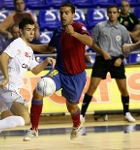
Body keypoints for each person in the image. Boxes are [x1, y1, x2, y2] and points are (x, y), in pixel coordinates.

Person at [23, 2, 110, 141]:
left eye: (67, 13)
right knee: (38, 91)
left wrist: (74, 34)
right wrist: (28, 45)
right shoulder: (58, 31)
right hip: (59, 71)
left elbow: (89, 41)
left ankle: (77, 123)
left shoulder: (78, 26)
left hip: (76, 76)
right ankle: (34, 129)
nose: (63, 15)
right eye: (61, 13)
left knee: (72, 107)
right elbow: (49, 49)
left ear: (73, 14)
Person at [0, 17, 56, 150]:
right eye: (28, 30)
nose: (32, 33)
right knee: (25, 118)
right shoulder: (17, 43)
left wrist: (46, 61)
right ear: (21, 31)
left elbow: (35, 70)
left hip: (10, 88)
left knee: (6, 117)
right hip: (8, 87)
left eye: (33, 30)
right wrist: (6, 78)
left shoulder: (28, 50)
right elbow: (2, 58)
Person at [80, 4, 136, 123]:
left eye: (114, 12)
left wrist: (121, 57)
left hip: (117, 60)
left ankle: (126, 113)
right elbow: (92, 43)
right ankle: (82, 115)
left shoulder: (122, 29)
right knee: (92, 87)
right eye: (110, 12)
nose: (112, 14)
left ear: (118, 14)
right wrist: (102, 52)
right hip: (101, 60)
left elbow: (128, 46)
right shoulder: (99, 26)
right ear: (107, 13)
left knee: (123, 89)